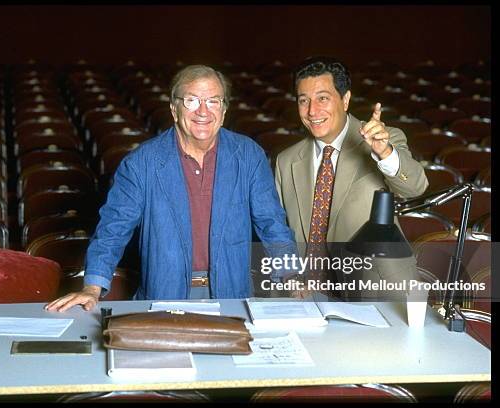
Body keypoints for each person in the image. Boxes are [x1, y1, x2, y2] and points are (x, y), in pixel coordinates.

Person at [46, 64, 297, 312]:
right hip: (164, 296)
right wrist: (92, 286)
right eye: (191, 100)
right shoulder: (141, 163)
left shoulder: (249, 155)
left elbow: (271, 222)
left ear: (223, 111)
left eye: (213, 101)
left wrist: (291, 274)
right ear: (174, 109)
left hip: (233, 296)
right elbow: (113, 230)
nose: (203, 111)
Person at [274, 56, 428, 300]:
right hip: (305, 295)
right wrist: (289, 277)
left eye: (323, 98)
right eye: (304, 101)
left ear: (345, 100)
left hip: (374, 289)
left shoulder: (383, 140)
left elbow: (416, 187)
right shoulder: (286, 161)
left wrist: (384, 152)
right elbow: (278, 231)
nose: (313, 111)